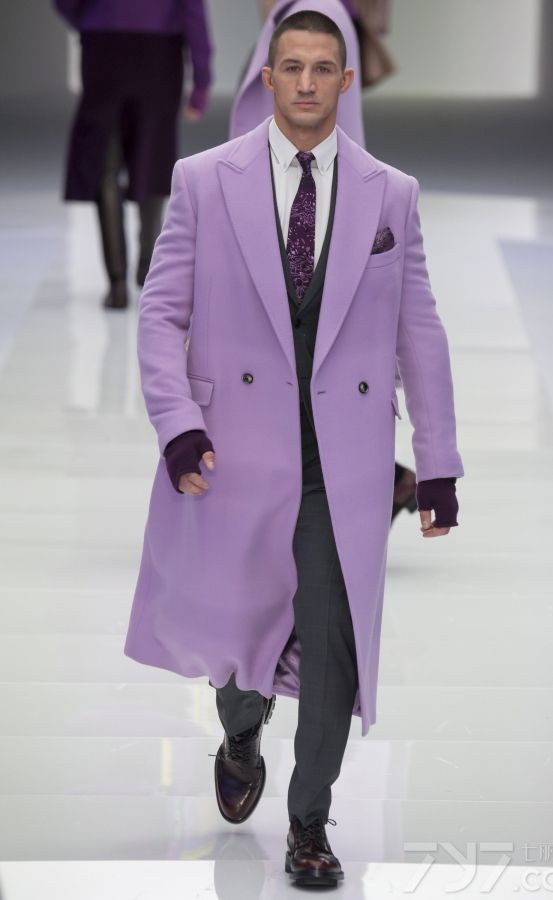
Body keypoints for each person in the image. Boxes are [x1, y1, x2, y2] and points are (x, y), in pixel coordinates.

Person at [124, 10, 463, 888]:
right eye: (292, 67)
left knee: (333, 642)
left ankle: (310, 823)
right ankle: (240, 727)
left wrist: (437, 464)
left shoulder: (391, 193)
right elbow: (161, 314)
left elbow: (419, 332)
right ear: (266, 77)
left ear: (346, 82)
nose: (307, 83)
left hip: (341, 465)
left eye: (322, 68)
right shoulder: (204, 181)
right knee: (241, 640)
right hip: (234, 455)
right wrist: (177, 423)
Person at [234, 0, 416, 523]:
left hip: (298, 219)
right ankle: (379, 483)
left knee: (300, 367)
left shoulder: (314, 14)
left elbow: (326, 136)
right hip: (297, 214)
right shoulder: (307, 14)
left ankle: (375, 484)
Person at [53, 0, 213, 310]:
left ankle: (116, 284)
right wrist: (202, 80)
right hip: (160, 50)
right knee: (153, 155)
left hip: (103, 44)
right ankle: (148, 268)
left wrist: (89, 20)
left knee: (105, 163)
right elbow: (192, 11)